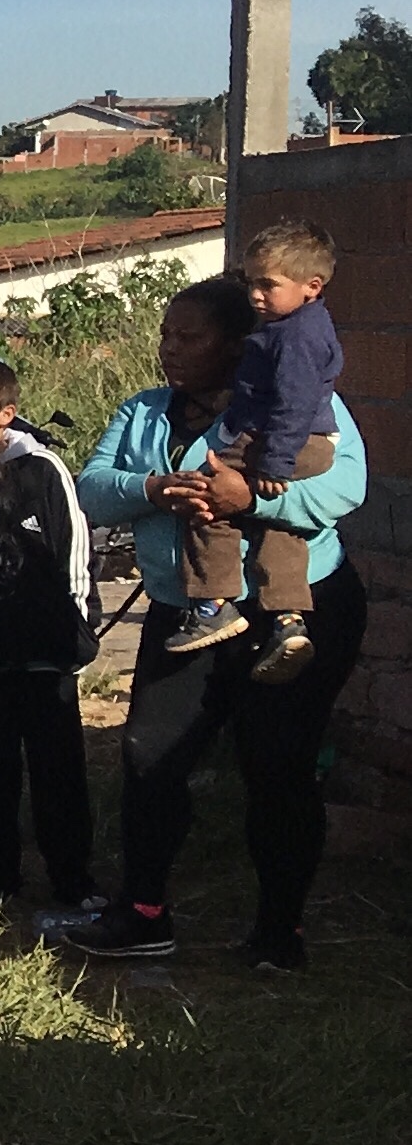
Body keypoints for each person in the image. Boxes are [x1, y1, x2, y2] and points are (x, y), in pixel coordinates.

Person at [70, 276, 369, 973]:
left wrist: (250, 499)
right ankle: (143, 911)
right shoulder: (145, 412)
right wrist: (153, 489)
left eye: (189, 336)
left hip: (291, 609)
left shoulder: (299, 403)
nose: (169, 348)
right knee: (149, 753)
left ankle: (278, 931)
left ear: (237, 345)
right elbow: (93, 486)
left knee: (276, 763)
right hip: (188, 611)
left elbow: (344, 486)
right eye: (166, 334)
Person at [164, 219, 338, 678]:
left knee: (206, 492)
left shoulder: (295, 339)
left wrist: (273, 460)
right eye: (251, 284)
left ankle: (212, 602)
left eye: (268, 285)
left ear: (311, 287)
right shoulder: (295, 328)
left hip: (292, 442)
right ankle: (287, 618)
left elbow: (293, 404)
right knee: (279, 527)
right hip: (299, 443)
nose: (256, 296)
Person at [0, 358, 100, 925]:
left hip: (46, 648)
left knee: (56, 766)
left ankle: (72, 878)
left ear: (5, 414)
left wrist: (76, 634)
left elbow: (73, 552)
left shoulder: (41, 469)